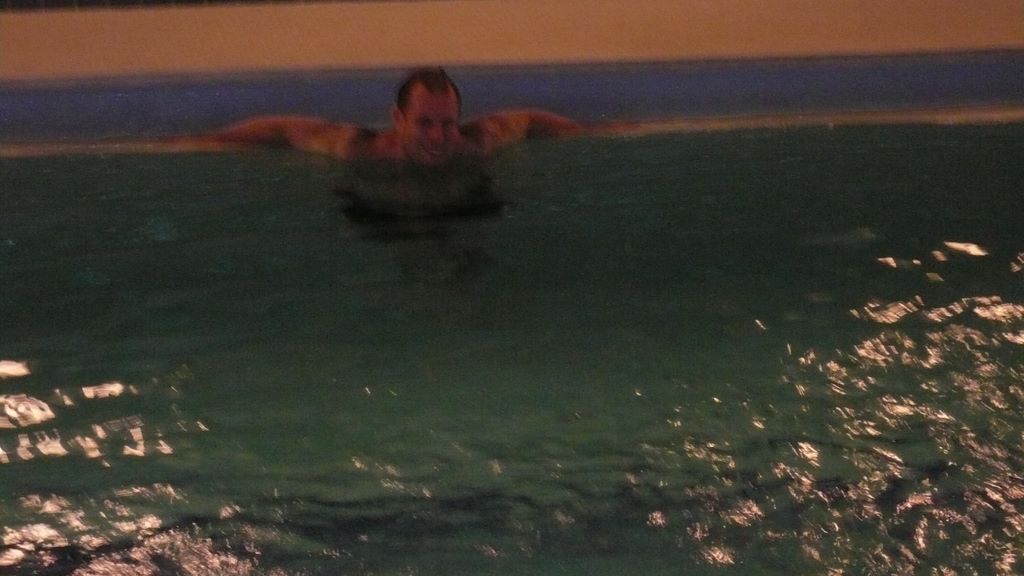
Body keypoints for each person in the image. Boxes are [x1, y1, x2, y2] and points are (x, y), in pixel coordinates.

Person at [185, 67, 600, 166]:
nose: (438, 137)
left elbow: (526, 120)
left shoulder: (476, 143)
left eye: (447, 124)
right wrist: (205, 143)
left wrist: (592, 132)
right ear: (398, 119)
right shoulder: (360, 148)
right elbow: (282, 129)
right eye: (424, 124)